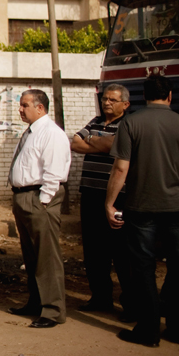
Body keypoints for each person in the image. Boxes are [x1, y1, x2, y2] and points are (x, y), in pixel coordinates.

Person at [106, 74, 179, 347]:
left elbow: (121, 168)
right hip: (176, 208)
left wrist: (109, 203)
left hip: (141, 206)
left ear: (142, 96)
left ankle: (148, 331)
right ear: (169, 96)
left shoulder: (131, 123)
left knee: (144, 267)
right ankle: (175, 326)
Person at [7, 89, 70, 329]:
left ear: (40, 107)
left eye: (24, 105)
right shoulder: (31, 132)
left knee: (47, 257)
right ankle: (36, 302)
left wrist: (43, 202)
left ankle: (53, 310)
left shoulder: (51, 134)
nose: (20, 110)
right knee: (32, 257)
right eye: (20, 105)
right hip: (24, 198)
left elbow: (53, 173)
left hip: (39, 198)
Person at [69, 83, 132, 315]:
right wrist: (103, 144)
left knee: (121, 251)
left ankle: (130, 303)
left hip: (116, 198)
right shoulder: (95, 122)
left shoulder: (127, 124)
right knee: (94, 251)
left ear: (125, 104)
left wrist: (96, 142)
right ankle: (100, 298)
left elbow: (116, 147)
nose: (107, 103)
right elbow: (75, 143)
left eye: (112, 100)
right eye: (105, 99)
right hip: (90, 195)